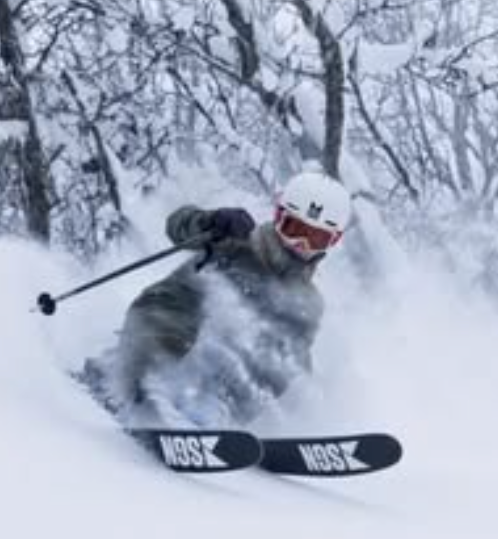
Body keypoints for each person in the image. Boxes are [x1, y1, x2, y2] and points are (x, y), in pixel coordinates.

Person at [80, 171, 353, 429]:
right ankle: (127, 381)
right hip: (171, 324)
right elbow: (177, 226)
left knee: (275, 359)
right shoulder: (240, 239)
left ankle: (213, 415)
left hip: (213, 380)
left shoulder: (306, 304)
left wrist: (304, 404)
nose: (300, 244)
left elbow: (293, 364)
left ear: (332, 241)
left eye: (315, 238)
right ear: (278, 216)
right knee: (178, 306)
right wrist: (210, 221)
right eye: (293, 228)